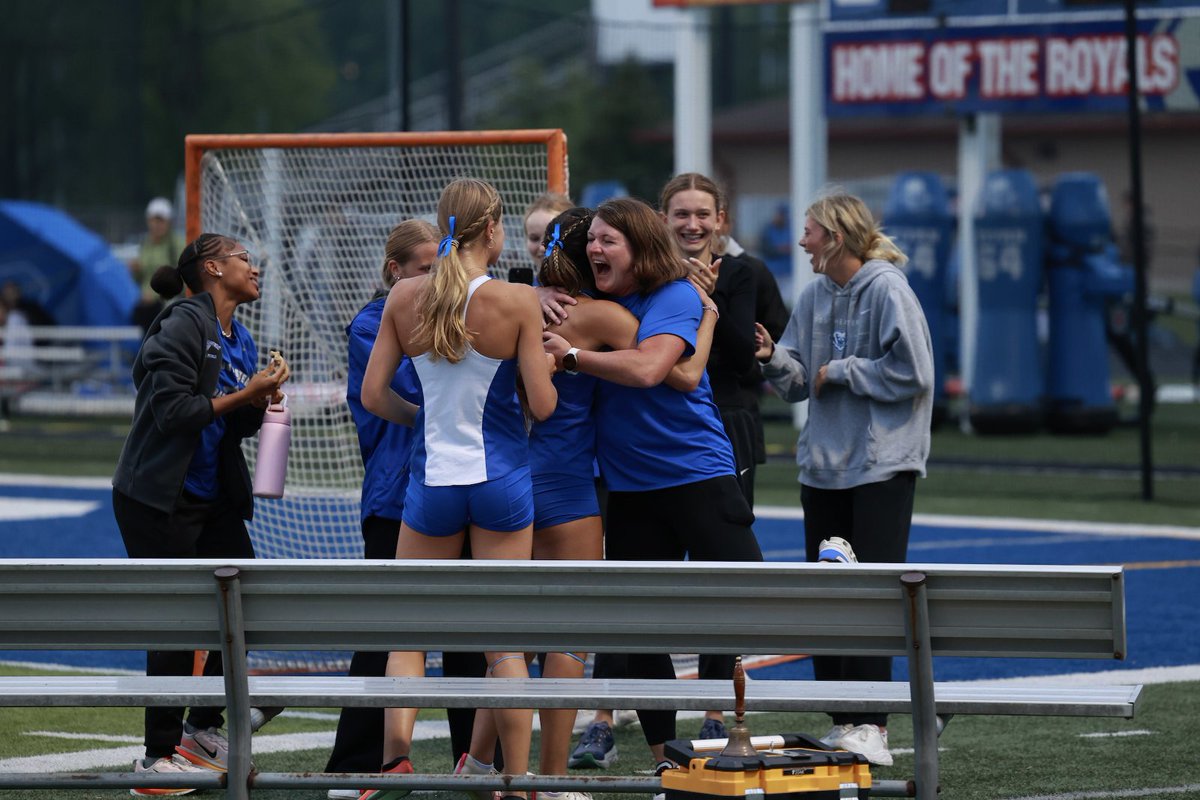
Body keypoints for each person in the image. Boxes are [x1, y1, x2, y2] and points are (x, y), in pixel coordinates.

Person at [542, 197, 762, 778]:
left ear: (641, 246)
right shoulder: (596, 303)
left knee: (756, 601)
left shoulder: (675, 294)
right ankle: (667, 763)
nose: (595, 248)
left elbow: (649, 370)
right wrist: (538, 295)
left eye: (609, 240)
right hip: (631, 490)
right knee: (642, 629)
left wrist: (571, 358)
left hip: (698, 476)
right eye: (592, 241)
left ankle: (735, 725)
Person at [359, 177, 556, 800]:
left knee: (409, 631)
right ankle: (518, 783)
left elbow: (371, 397)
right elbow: (544, 407)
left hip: (432, 482)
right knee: (504, 640)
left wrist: (423, 420)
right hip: (502, 481)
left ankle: (396, 767)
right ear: (493, 231)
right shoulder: (517, 300)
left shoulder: (404, 295)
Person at [753, 191, 934, 767]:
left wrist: (845, 370)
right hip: (824, 470)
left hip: (880, 468)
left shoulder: (886, 288)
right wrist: (768, 358)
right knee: (828, 599)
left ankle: (874, 725)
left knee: (874, 599)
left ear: (833, 236)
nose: (800, 240)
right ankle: (843, 721)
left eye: (808, 231)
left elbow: (916, 373)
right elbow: (799, 381)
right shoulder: (812, 294)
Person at [111, 233, 291, 793]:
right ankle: (156, 759)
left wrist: (260, 403)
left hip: (209, 496)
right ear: (213, 268)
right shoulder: (183, 323)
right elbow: (172, 414)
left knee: (247, 597)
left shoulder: (238, 335)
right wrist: (246, 395)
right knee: (174, 624)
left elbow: (226, 423)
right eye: (244, 259)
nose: (254, 267)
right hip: (157, 497)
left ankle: (201, 727)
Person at [324, 220, 495, 798]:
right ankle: (356, 766)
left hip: (453, 489)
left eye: (439, 266)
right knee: (388, 633)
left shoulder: (450, 311)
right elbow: (425, 388)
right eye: (424, 268)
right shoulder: (376, 320)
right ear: (393, 271)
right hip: (397, 496)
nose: (435, 278)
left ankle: (471, 765)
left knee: (469, 638)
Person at [129, 198, 187, 332]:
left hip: (168, 305)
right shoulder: (145, 243)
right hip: (148, 308)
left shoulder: (176, 243)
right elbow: (140, 279)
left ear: (169, 222)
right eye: (154, 220)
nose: (157, 224)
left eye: (161, 220)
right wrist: (135, 270)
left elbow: (184, 277)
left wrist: (154, 296)